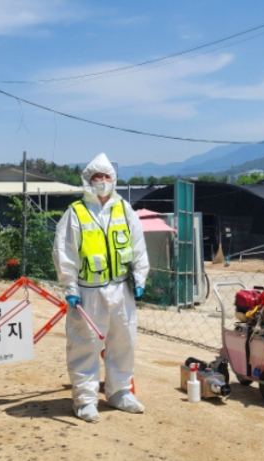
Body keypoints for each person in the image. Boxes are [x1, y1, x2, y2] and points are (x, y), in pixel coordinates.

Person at [52, 153, 150, 423]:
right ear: (88, 180)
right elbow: (64, 252)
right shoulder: (76, 213)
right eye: (98, 177)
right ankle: (84, 400)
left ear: (114, 180)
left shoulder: (124, 209)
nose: (103, 181)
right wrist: (70, 287)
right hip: (89, 292)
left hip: (122, 289)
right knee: (86, 345)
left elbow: (138, 246)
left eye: (107, 177)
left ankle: (120, 393)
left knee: (124, 342)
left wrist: (140, 279)